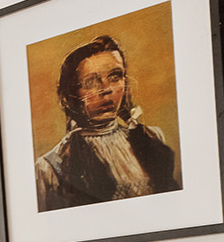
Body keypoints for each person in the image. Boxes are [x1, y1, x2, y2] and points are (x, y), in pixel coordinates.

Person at [34, 34, 179, 210]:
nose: (106, 89)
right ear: (68, 96)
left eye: (115, 76)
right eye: (90, 82)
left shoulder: (152, 138)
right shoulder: (50, 167)